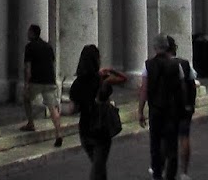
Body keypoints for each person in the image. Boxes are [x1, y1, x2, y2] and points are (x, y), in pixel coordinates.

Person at [70, 43, 127, 180]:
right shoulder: (102, 79)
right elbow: (123, 78)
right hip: (101, 127)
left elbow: (73, 109)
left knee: (98, 166)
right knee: (98, 166)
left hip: (85, 128)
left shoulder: (76, 84)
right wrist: (110, 69)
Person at [137, 32, 186, 180]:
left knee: (155, 145)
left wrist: (140, 110)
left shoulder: (148, 65)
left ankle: (157, 175)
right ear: (167, 47)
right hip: (172, 110)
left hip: (155, 109)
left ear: (155, 48)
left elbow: (144, 89)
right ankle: (170, 176)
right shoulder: (176, 65)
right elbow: (181, 88)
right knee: (172, 146)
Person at [19, 23, 63, 144]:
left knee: (26, 98)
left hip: (36, 81)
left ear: (32, 33)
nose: (27, 34)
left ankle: (31, 123)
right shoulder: (48, 46)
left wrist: (26, 84)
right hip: (49, 80)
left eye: (29, 32)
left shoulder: (29, 47)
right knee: (52, 108)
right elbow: (52, 63)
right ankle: (58, 133)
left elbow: (28, 67)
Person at [166, 35, 198, 180]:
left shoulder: (156, 64)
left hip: (167, 108)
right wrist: (191, 104)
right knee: (184, 137)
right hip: (185, 107)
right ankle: (184, 172)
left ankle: (164, 169)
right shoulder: (185, 63)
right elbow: (192, 83)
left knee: (167, 139)